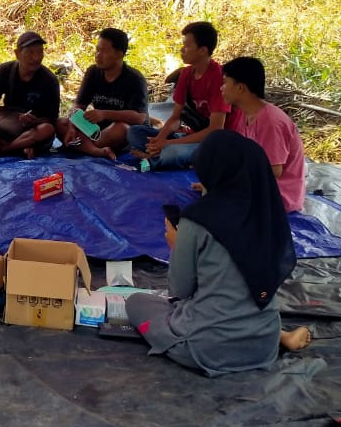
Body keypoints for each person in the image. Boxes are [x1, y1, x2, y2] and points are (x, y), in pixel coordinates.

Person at [125, 131, 311, 376]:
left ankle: (186, 331)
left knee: (137, 303)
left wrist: (175, 245)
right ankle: (280, 336)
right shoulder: (269, 216)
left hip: (204, 349)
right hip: (262, 345)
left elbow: (180, 290)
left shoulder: (198, 220)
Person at [128, 21, 231, 169]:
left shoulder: (218, 78)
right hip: (191, 137)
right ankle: (159, 156)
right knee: (134, 133)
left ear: (202, 50)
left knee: (172, 152)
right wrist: (159, 140)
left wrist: (168, 143)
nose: (182, 50)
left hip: (216, 142)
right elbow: (176, 117)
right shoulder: (186, 74)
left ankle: (152, 160)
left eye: (187, 46)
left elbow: (215, 129)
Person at [221, 56, 307, 213]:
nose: (221, 88)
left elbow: (274, 171)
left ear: (240, 88)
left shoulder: (270, 121)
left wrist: (230, 186)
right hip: (256, 188)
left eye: (225, 82)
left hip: (278, 196)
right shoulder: (245, 114)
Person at [0, 31, 60, 158]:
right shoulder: (4, 70)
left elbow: (52, 119)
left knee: (47, 129)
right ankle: (19, 148)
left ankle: (2, 149)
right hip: (5, 126)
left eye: (40, 52)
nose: (36, 57)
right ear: (17, 53)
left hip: (30, 131)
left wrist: (34, 121)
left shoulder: (50, 80)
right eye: (30, 52)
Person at [57, 27, 148, 160]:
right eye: (97, 50)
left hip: (122, 134)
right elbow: (79, 106)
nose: (98, 55)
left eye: (104, 51)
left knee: (121, 128)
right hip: (95, 131)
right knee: (60, 123)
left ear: (119, 53)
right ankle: (95, 151)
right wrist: (72, 126)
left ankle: (82, 146)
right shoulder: (93, 72)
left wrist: (104, 114)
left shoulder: (135, 79)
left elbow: (140, 118)